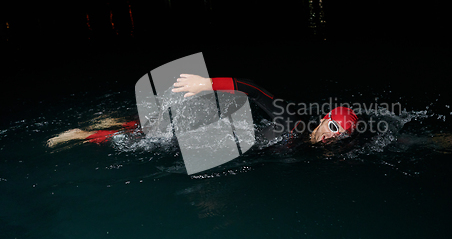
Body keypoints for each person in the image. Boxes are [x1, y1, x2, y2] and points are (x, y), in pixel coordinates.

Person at [47, 74, 359, 147]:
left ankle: (116, 121)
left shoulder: (324, 152)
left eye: (341, 135)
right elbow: (253, 89)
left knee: (151, 130)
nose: (334, 137)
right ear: (324, 119)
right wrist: (205, 83)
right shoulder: (292, 121)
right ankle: (83, 134)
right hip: (221, 130)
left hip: (234, 143)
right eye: (334, 128)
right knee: (150, 139)